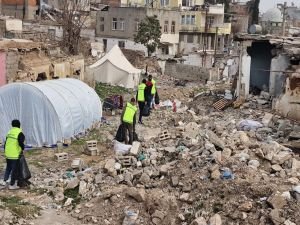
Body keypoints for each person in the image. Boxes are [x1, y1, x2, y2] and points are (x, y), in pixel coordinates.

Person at [0, 120, 25, 190]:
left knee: (8, 167)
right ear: (19, 125)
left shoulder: (9, 132)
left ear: (12, 125)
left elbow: (6, 143)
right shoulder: (20, 133)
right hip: (14, 154)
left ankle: (4, 181)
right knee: (14, 170)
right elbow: (21, 143)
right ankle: (12, 184)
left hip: (8, 153)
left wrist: (6, 151)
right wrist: (23, 148)